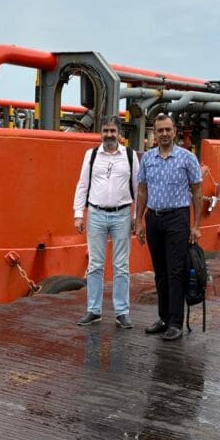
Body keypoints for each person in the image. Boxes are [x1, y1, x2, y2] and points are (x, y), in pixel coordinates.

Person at [135, 113, 203, 342]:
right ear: (155, 133)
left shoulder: (187, 158)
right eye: (160, 130)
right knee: (160, 272)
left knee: (176, 272)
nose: (164, 134)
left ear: (174, 131)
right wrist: (139, 221)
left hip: (177, 218)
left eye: (168, 130)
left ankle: (175, 322)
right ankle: (163, 318)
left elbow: (197, 192)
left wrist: (196, 226)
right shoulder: (148, 159)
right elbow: (142, 190)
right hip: (154, 218)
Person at [73, 116, 141, 328]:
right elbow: (82, 184)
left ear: (119, 133)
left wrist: (137, 217)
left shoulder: (129, 156)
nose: (109, 135)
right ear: (100, 132)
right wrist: (78, 213)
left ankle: (122, 312)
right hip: (96, 214)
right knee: (95, 264)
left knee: (121, 265)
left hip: (122, 214)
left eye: (112, 131)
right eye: (105, 131)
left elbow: (138, 189)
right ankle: (94, 310)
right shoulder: (91, 155)